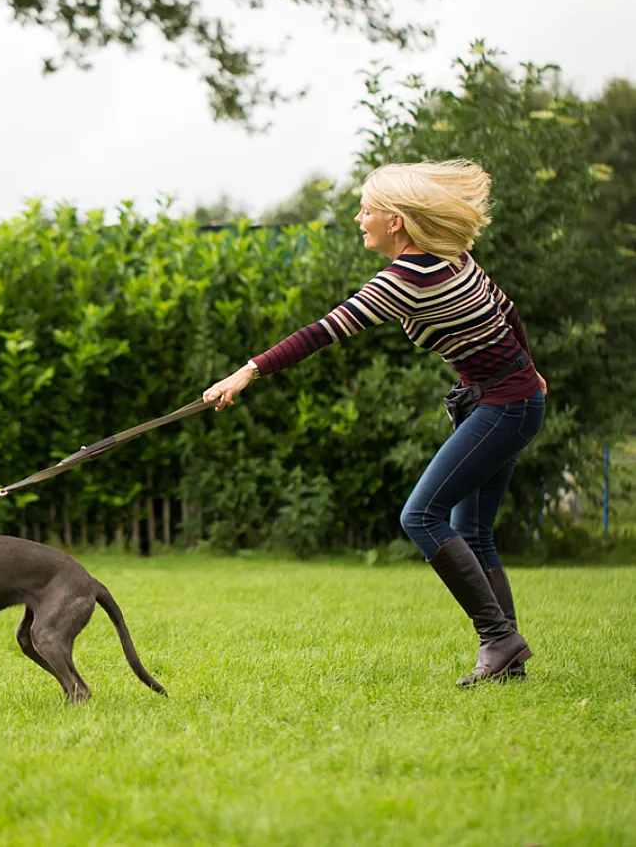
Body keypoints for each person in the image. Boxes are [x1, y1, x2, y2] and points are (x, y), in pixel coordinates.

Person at [202, 159, 547, 686]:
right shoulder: (452, 258)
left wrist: (247, 371)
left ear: (396, 222)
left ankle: (498, 640)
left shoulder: (406, 279)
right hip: (505, 400)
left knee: (421, 516)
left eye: (367, 210)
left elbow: (323, 331)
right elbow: (508, 309)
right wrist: (531, 369)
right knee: (470, 529)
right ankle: (508, 658)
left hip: (504, 404)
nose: (358, 217)